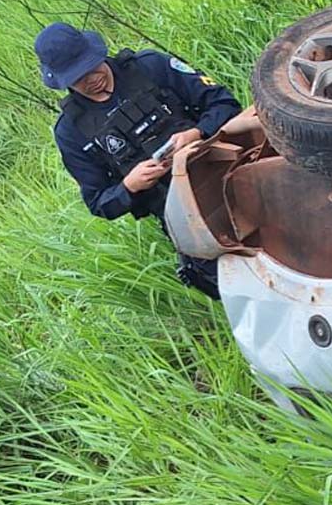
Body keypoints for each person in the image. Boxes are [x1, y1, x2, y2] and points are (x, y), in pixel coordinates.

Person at [35, 22, 241, 298]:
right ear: (63, 82)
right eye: (78, 77)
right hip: (184, 217)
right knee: (237, 292)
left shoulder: (150, 67)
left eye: (91, 66)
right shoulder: (71, 132)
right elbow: (99, 202)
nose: (91, 78)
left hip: (230, 174)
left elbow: (224, 103)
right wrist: (130, 186)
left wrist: (197, 132)